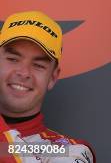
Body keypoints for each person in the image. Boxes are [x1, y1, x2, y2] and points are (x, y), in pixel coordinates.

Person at [0, 10, 95, 163]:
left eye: (38, 65)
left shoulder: (69, 150)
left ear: (52, 77)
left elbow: (5, 150)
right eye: (13, 59)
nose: (24, 73)